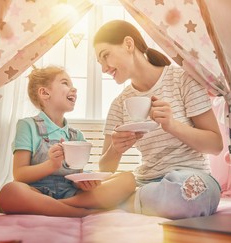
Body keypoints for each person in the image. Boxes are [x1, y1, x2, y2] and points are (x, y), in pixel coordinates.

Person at [93, 20, 223, 219]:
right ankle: (140, 200)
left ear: (129, 44)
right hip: (146, 182)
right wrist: (116, 149)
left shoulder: (183, 80)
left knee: (187, 194)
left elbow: (215, 145)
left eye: (105, 56)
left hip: (192, 177)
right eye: (100, 62)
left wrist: (172, 125)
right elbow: (105, 167)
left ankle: (120, 203)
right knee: (103, 186)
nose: (103, 68)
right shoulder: (120, 103)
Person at [0, 66, 136, 217]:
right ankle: (81, 212)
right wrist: (51, 165)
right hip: (36, 191)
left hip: (72, 195)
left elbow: (78, 175)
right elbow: (19, 175)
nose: (74, 89)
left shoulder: (77, 136)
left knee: (128, 180)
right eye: (65, 83)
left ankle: (59, 207)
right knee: (9, 191)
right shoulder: (27, 126)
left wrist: (84, 184)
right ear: (45, 93)